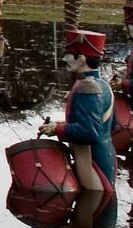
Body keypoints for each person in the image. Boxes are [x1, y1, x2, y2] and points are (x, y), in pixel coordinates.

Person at [39, 28, 117, 193]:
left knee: (92, 204)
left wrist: (58, 129)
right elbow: (111, 124)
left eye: (69, 54)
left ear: (81, 59)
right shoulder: (102, 84)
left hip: (91, 164)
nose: (65, 58)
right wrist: (59, 125)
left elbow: (89, 132)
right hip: (105, 157)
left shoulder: (87, 88)